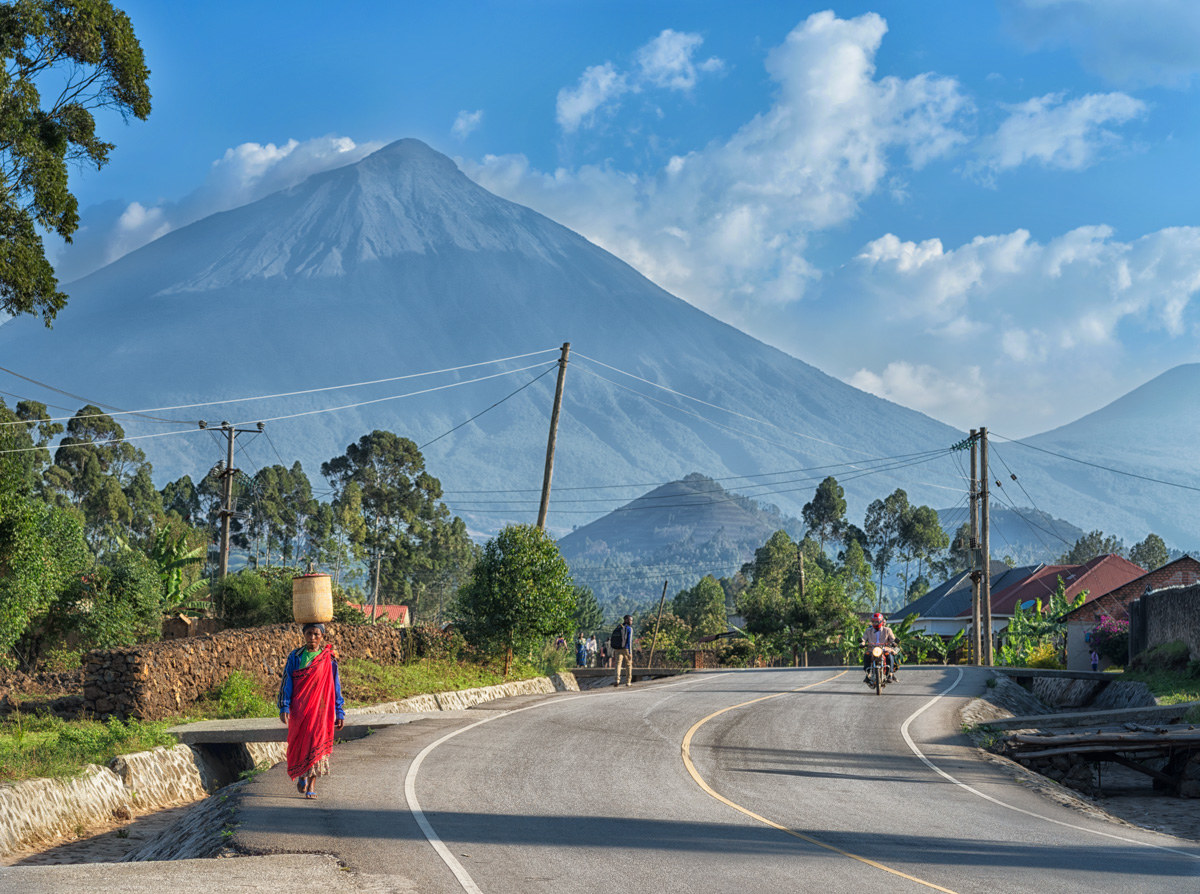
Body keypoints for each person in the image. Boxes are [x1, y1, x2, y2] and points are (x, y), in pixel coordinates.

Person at [278, 622, 345, 799]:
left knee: (317, 742)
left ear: (322, 636)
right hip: (300, 708)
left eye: (316, 634)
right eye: (309, 634)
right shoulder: (295, 656)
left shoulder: (328, 659)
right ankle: (302, 774)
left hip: (322, 710)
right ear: (304, 635)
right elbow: (287, 681)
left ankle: (312, 785)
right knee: (300, 742)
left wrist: (339, 711)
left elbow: (335, 686)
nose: (312, 638)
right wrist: (284, 705)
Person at [861, 612, 898, 684]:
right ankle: (867, 674)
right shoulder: (868, 630)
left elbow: (892, 639)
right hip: (872, 649)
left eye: (877, 622)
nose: (875, 623)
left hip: (884, 649)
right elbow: (863, 639)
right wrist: (862, 643)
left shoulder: (887, 630)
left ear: (881, 621)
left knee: (890, 656)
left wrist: (894, 643)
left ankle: (890, 674)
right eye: (873, 622)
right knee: (866, 655)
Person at [613, 614, 634, 686]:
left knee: (618, 664)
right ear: (626, 620)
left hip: (618, 649)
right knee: (628, 665)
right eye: (630, 620)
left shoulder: (619, 627)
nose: (631, 621)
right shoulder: (629, 629)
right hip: (626, 649)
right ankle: (628, 681)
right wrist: (630, 652)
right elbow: (629, 641)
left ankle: (617, 680)